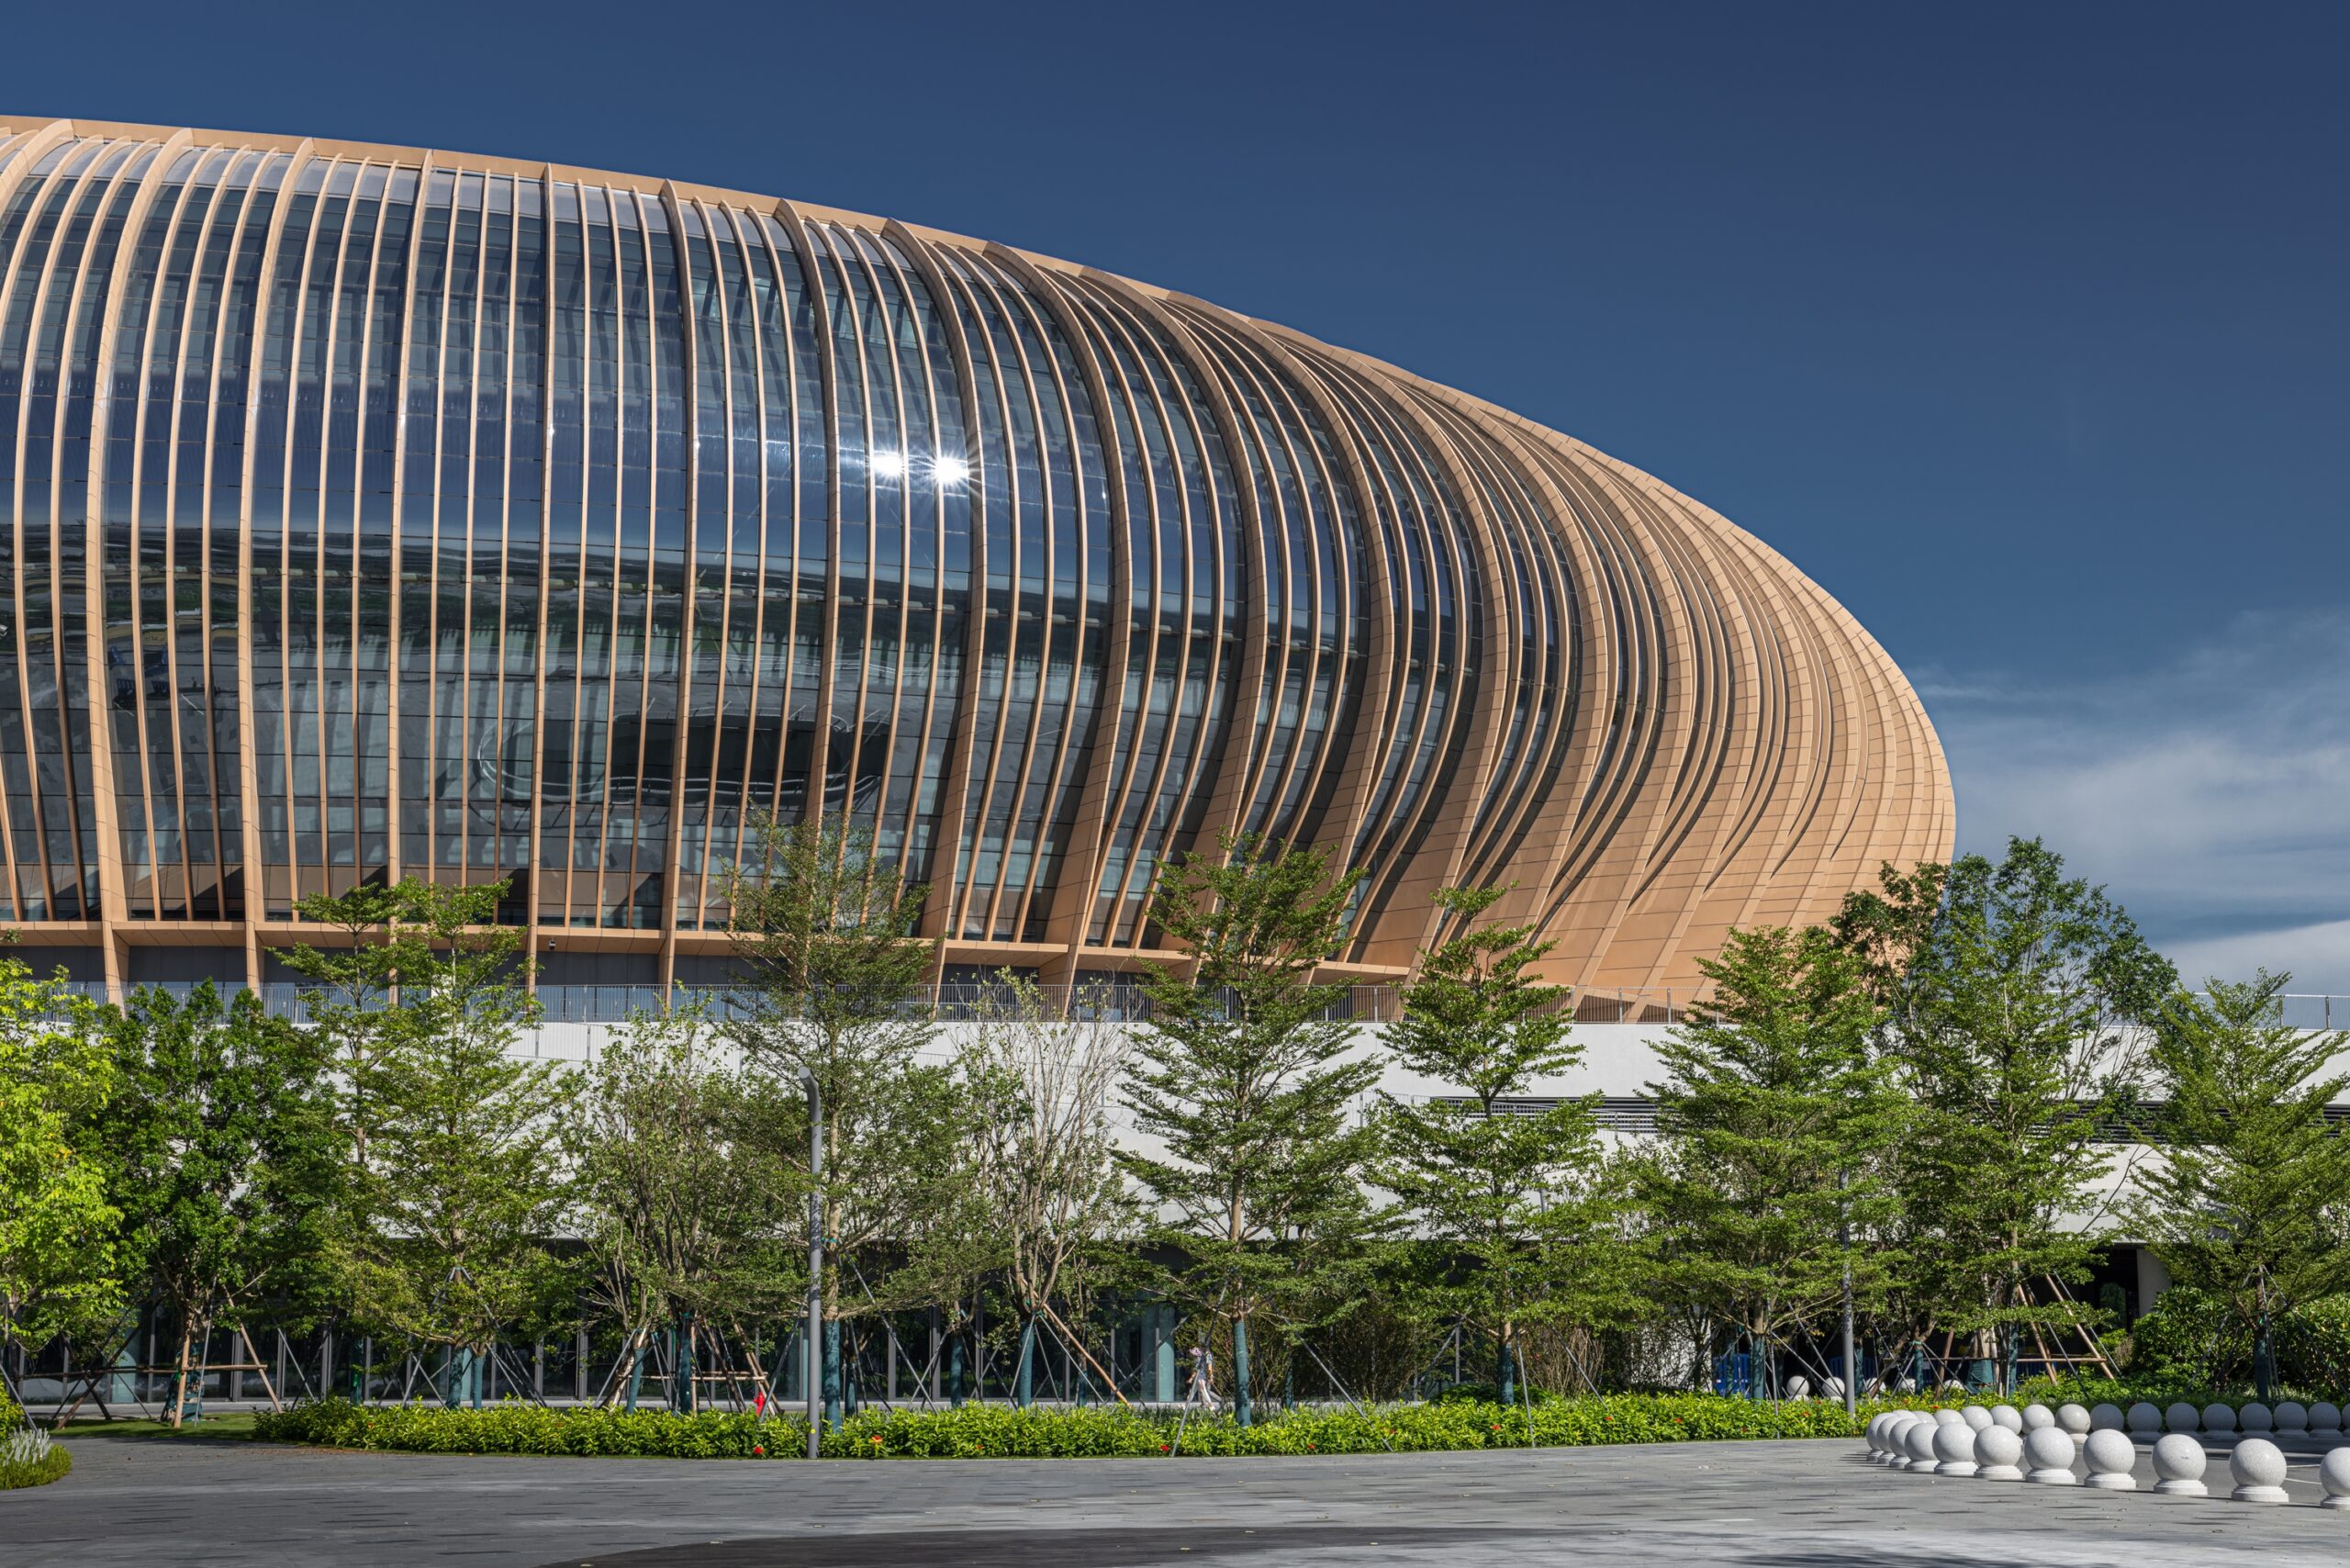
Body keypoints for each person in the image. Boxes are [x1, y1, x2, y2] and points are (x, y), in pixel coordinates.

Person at [1186, 1343, 1218, 1410]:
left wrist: (1210, 1376)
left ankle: (1211, 1404)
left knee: (1202, 1389)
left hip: (1202, 1375)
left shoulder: (1206, 1355)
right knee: (1197, 1390)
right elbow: (1200, 1367)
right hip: (1202, 1375)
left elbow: (1208, 1367)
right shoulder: (1204, 1355)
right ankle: (1187, 1405)